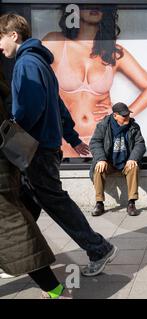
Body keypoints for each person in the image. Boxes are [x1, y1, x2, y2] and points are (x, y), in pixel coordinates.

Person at [0, 13, 118, 277]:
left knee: (55, 203)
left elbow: (31, 109)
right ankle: (17, 256)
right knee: (25, 204)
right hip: (44, 148)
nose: (0, 47)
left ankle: (98, 248)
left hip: (36, 150)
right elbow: (59, 105)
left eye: (0, 39)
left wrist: (13, 135)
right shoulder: (40, 63)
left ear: (13, 35)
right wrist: (73, 138)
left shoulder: (27, 64)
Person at [42, 4, 147, 158]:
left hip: (102, 140)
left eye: (100, 3)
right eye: (87, 2)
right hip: (64, 140)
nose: (94, 6)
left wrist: (122, 115)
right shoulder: (55, 42)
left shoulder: (113, 52)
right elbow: (32, 82)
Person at [0, 62, 71, 299]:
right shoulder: (35, 63)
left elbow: (36, 109)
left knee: (14, 223)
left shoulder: (28, 64)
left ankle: (54, 288)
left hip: (29, 152)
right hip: (21, 153)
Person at [89, 102, 146, 217]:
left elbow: (140, 144)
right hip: (109, 162)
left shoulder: (133, 126)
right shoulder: (103, 125)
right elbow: (95, 142)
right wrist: (101, 159)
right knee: (98, 168)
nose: (127, 118)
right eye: (124, 116)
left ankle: (131, 203)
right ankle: (99, 203)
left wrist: (133, 158)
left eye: (128, 115)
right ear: (115, 116)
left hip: (125, 162)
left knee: (134, 166)